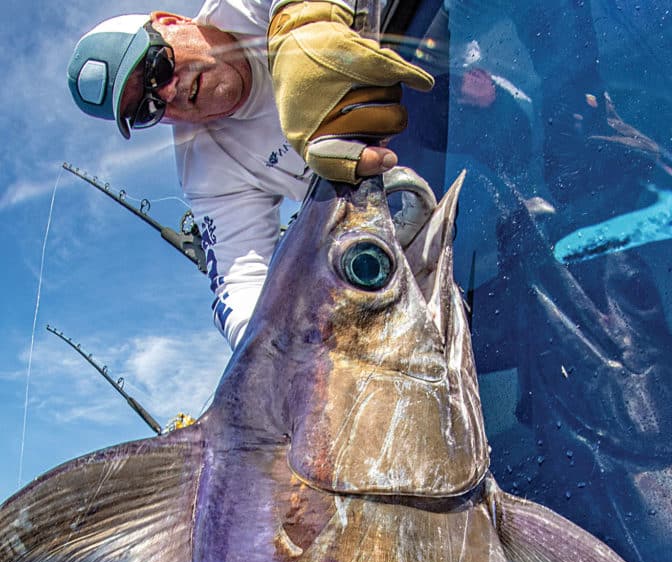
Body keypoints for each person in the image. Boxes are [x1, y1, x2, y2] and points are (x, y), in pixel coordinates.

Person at [67, 2, 433, 351]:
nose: (168, 91)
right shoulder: (206, 170)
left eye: (156, 67)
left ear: (171, 21)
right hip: (420, 211)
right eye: (149, 107)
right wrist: (270, 354)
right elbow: (241, 285)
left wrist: (303, 25)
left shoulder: (244, 6)